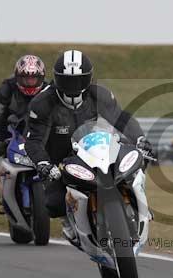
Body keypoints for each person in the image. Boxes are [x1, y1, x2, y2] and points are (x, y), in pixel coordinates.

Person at [24, 49, 153, 241]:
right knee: (54, 204)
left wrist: (139, 139)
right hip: (60, 157)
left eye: (79, 80)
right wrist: (43, 163)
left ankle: (140, 204)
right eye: (67, 81)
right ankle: (68, 221)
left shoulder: (99, 94)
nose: (73, 87)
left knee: (136, 160)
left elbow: (121, 119)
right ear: (57, 79)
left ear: (89, 78)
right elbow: (33, 140)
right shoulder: (42, 103)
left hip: (95, 146)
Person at [0, 55, 46, 200]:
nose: (30, 83)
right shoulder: (6, 88)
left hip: (38, 131)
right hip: (8, 128)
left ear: (41, 78)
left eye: (34, 78)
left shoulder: (48, 90)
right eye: (26, 78)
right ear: (18, 77)